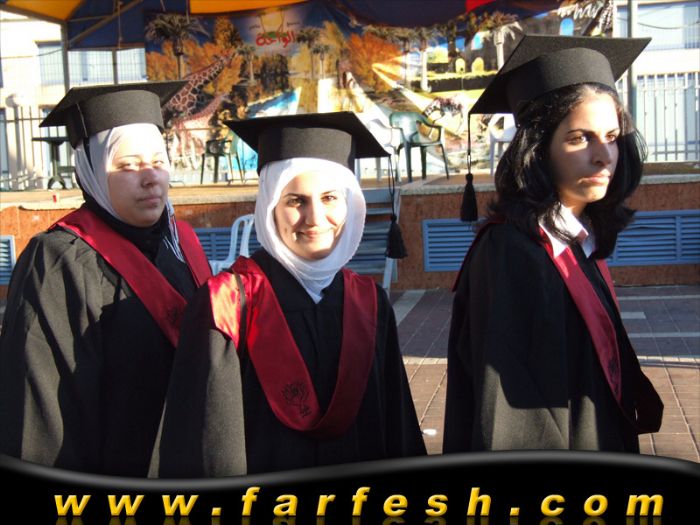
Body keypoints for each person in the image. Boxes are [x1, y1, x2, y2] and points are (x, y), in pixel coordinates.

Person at [153, 111, 426, 477]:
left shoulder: (369, 303)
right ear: (270, 206)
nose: (315, 217)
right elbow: (208, 444)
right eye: (296, 200)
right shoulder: (226, 305)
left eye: (330, 197)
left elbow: (397, 430)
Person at [443, 35, 663, 453]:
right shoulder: (510, 252)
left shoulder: (577, 239)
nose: (604, 155)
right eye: (580, 138)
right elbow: (515, 419)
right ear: (538, 149)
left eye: (612, 136)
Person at [0, 82, 212, 476]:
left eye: (159, 160)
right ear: (92, 170)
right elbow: (40, 418)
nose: (151, 178)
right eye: (128, 165)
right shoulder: (58, 261)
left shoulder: (183, 245)